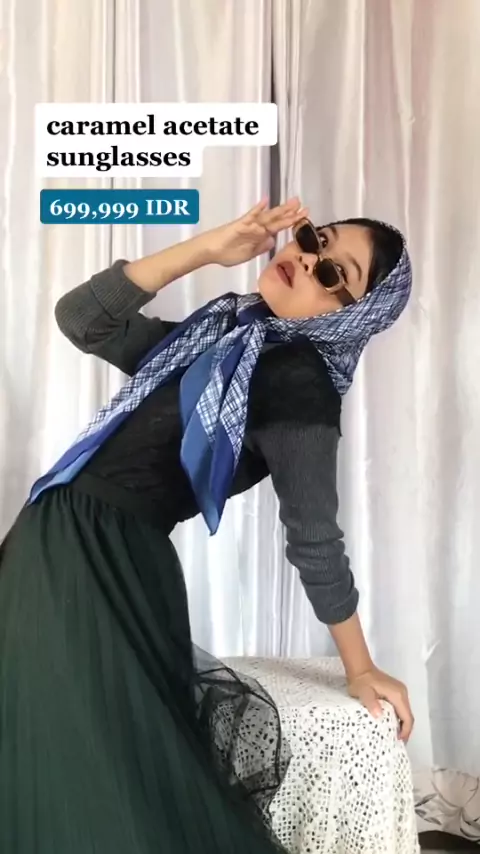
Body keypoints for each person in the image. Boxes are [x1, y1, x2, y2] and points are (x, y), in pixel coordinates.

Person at [0, 198, 414, 853]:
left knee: (98, 784)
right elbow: (83, 319)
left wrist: (359, 668)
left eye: (335, 273)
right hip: (57, 541)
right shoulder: (220, 339)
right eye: (315, 239)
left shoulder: (300, 381)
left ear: (350, 316)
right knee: (44, 758)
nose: (308, 259)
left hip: (98, 562)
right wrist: (208, 248)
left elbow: (313, 536)